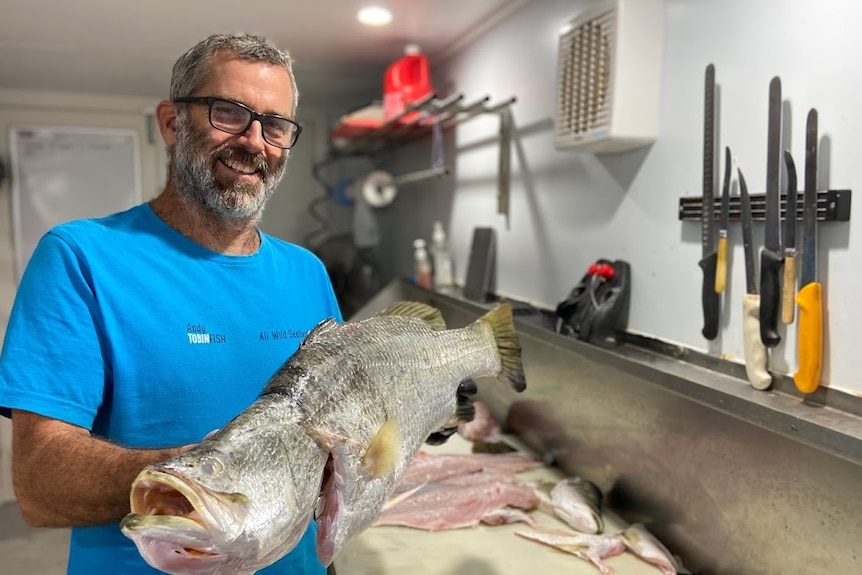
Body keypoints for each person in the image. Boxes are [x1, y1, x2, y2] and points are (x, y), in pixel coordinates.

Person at [0, 34, 342, 574]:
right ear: (170, 122)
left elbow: (336, 437)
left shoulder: (308, 272)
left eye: (275, 125)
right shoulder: (81, 257)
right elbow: (41, 484)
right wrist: (209, 472)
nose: (255, 141)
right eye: (229, 113)